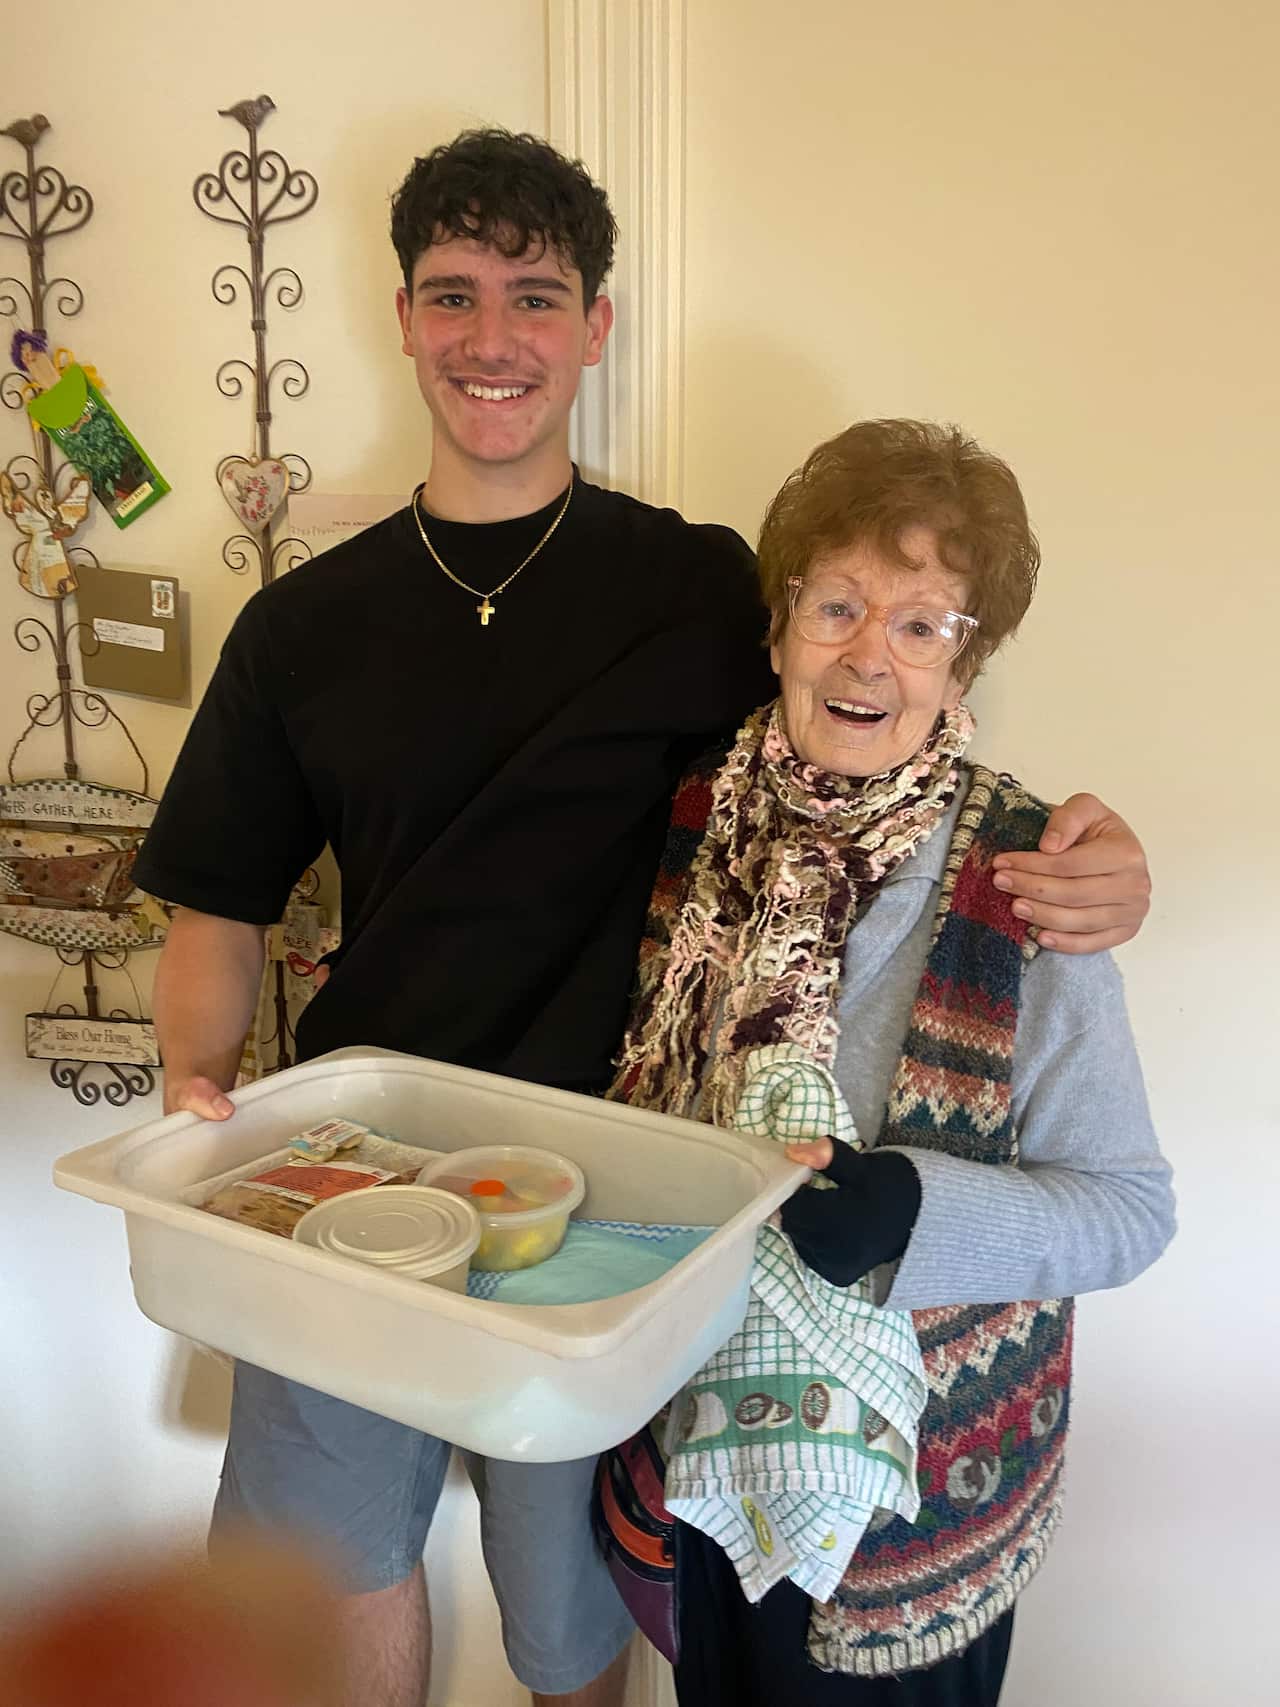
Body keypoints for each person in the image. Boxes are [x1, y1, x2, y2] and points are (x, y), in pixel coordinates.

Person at [133, 131, 1152, 1707]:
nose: (494, 340)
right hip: (342, 1187)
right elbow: (217, 903)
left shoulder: (694, 591)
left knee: (572, 1625)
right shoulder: (298, 626)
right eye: (454, 295)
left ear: (594, 326)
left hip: (612, 1219)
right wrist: (195, 1096)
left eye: (536, 298)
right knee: (329, 1584)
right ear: (402, 316)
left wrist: (1102, 861)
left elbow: (893, 751)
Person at [610, 418, 1176, 1706]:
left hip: (919, 1519)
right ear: (779, 627)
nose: (871, 654)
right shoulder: (699, 828)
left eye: (922, 623)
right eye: (838, 605)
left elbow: (1131, 1212)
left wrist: (913, 1208)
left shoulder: (1030, 878)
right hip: (704, 1455)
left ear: (964, 660)